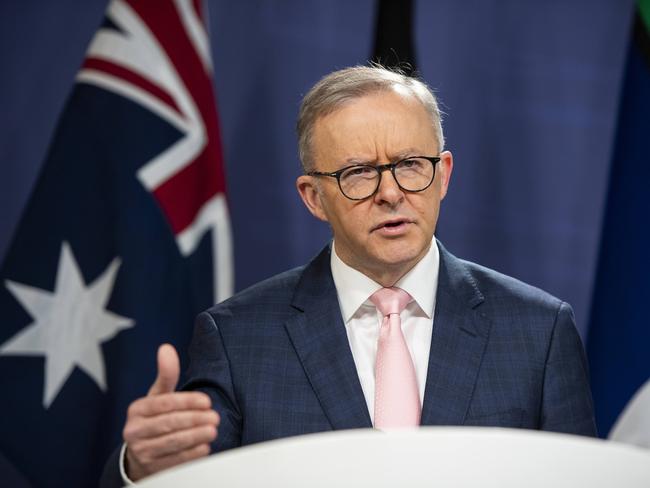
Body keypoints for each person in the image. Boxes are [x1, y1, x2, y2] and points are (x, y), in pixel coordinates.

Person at [101, 65, 596, 486]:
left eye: (410, 165)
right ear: (314, 197)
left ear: (443, 174)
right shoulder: (238, 338)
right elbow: (194, 474)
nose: (391, 193)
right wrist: (144, 468)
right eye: (358, 172)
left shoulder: (538, 331)